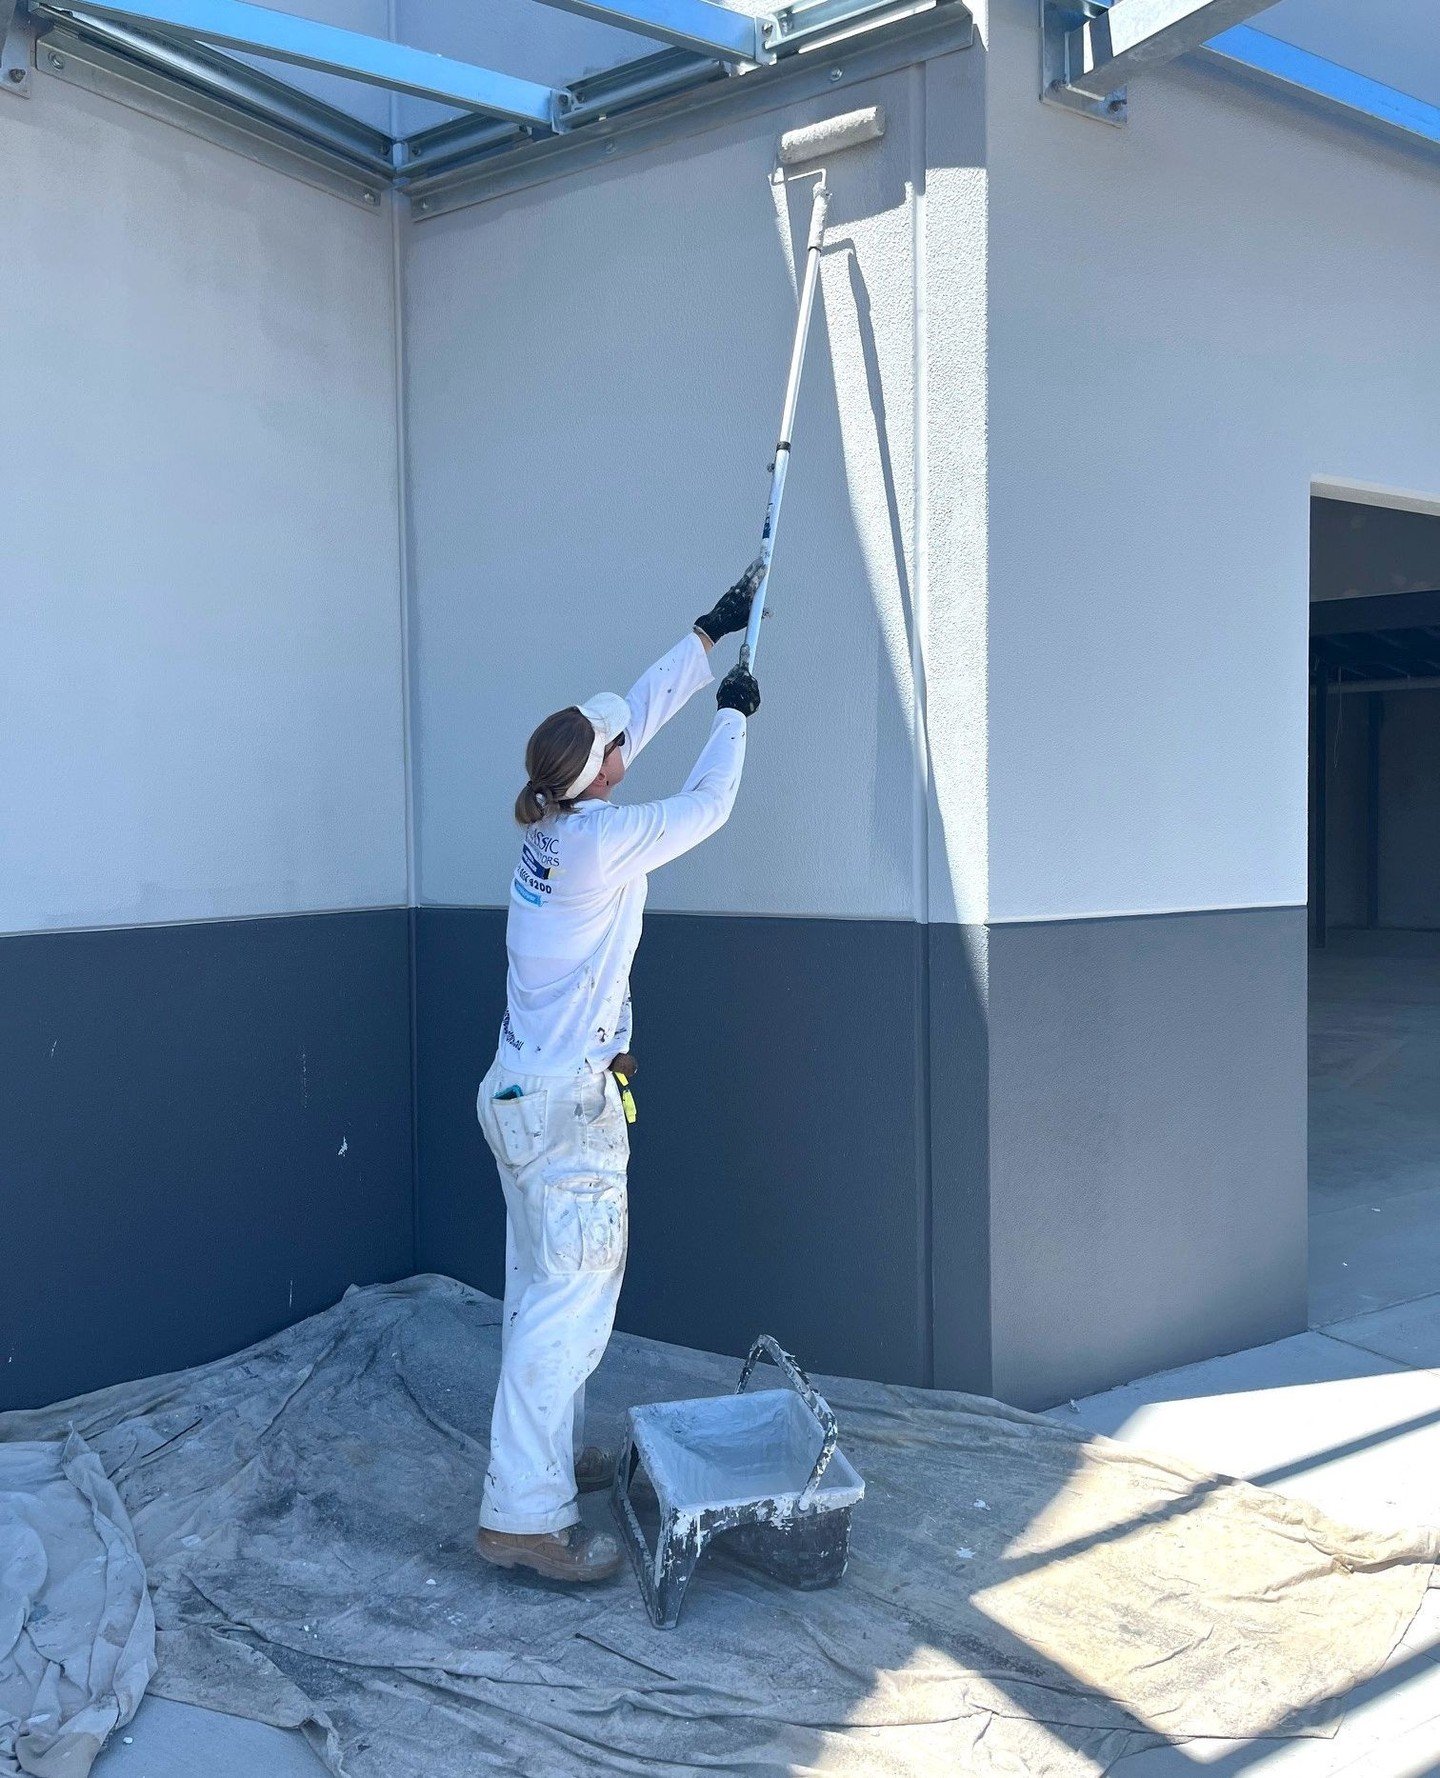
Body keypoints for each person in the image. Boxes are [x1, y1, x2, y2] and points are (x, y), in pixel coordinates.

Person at [474, 563, 765, 1584]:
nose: (624, 748)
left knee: (537, 1294)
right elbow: (710, 803)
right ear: (598, 774)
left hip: (521, 1095)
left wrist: (708, 632)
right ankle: (524, 1517)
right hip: (564, 1111)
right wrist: (735, 712)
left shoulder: (553, 820)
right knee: (568, 1305)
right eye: (616, 753)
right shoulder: (600, 842)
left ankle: (541, 1462)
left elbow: (628, 718)